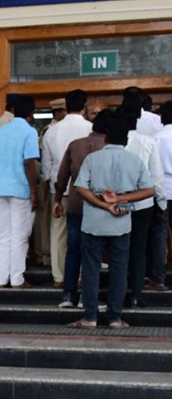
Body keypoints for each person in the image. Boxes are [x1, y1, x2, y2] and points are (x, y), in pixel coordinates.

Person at [70, 110, 155, 329]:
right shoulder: (134, 160)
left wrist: (102, 204)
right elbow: (148, 190)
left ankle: (90, 317)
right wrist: (120, 198)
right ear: (126, 141)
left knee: (90, 270)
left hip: (93, 224)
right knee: (119, 271)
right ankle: (115, 318)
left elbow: (80, 188)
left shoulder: (92, 159)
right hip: (121, 224)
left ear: (105, 138)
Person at [0, 95, 40, 288]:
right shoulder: (29, 132)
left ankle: (1, 278)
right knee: (20, 235)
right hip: (20, 189)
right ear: (31, 114)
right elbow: (29, 162)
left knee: (5, 235)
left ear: (13, 110)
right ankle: (17, 278)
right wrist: (34, 191)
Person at [54, 110, 108, 310]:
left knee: (73, 249)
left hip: (75, 203)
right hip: (99, 205)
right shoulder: (108, 147)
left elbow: (62, 177)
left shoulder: (75, 144)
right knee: (92, 252)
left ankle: (68, 295)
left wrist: (58, 200)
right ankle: (87, 297)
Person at [46, 91, 93, 301]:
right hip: (85, 190)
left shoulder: (51, 131)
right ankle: (81, 275)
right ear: (84, 107)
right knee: (84, 235)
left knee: (58, 231)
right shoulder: (90, 128)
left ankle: (58, 276)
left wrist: (53, 185)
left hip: (58, 187)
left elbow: (46, 164)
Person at [121, 99, 167, 309]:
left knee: (119, 248)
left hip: (118, 203)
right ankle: (136, 295)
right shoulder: (148, 142)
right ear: (139, 118)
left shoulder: (115, 142)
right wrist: (161, 204)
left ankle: (119, 293)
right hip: (143, 204)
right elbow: (156, 178)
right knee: (139, 250)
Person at [36, 98, 66, 280]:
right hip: (53, 183)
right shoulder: (49, 131)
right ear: (58, 112)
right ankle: (46, 256)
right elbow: (44, 160)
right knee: (52, 223)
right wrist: (48, 180)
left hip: (55, 182)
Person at [151, 101, 172, 291]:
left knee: (159, 235)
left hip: (163, 191)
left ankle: (158, 278)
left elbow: (154, 170)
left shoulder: (156, 138)